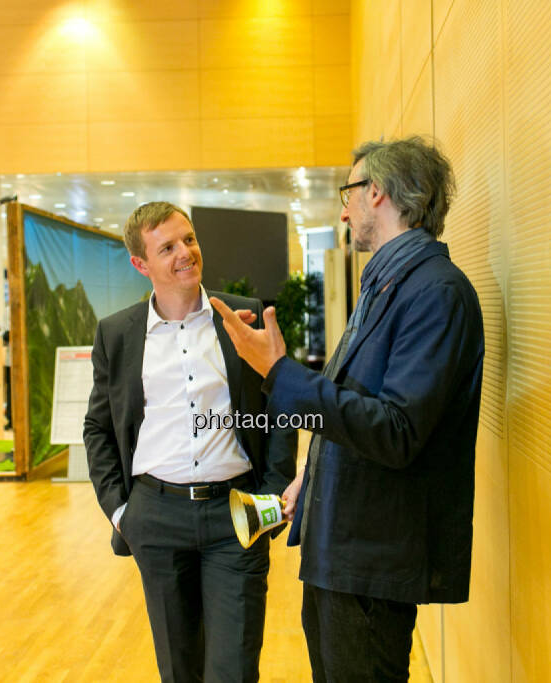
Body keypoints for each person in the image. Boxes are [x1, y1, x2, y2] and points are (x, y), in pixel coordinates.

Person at [210, 136, 485, 682]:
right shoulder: (388, 282)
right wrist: (311, 475)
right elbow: (359, 407)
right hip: (345, 550)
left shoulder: (435, 292)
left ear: (377, 192)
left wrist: (278, 371)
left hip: (372, 559)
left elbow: (396, 431)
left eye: (348, 194)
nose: (343, 210)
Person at [83, 201, 296, 683]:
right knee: (179, 671)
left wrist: (273, 494)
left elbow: (282, 404)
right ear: (141, 264)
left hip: (237, 515)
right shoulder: (116, 335)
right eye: (167, 248)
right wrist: (121, 512)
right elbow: (98, 427)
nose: (185, 252)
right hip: (155, 518)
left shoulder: (240, 316)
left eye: (189, 239)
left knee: (234, 670)